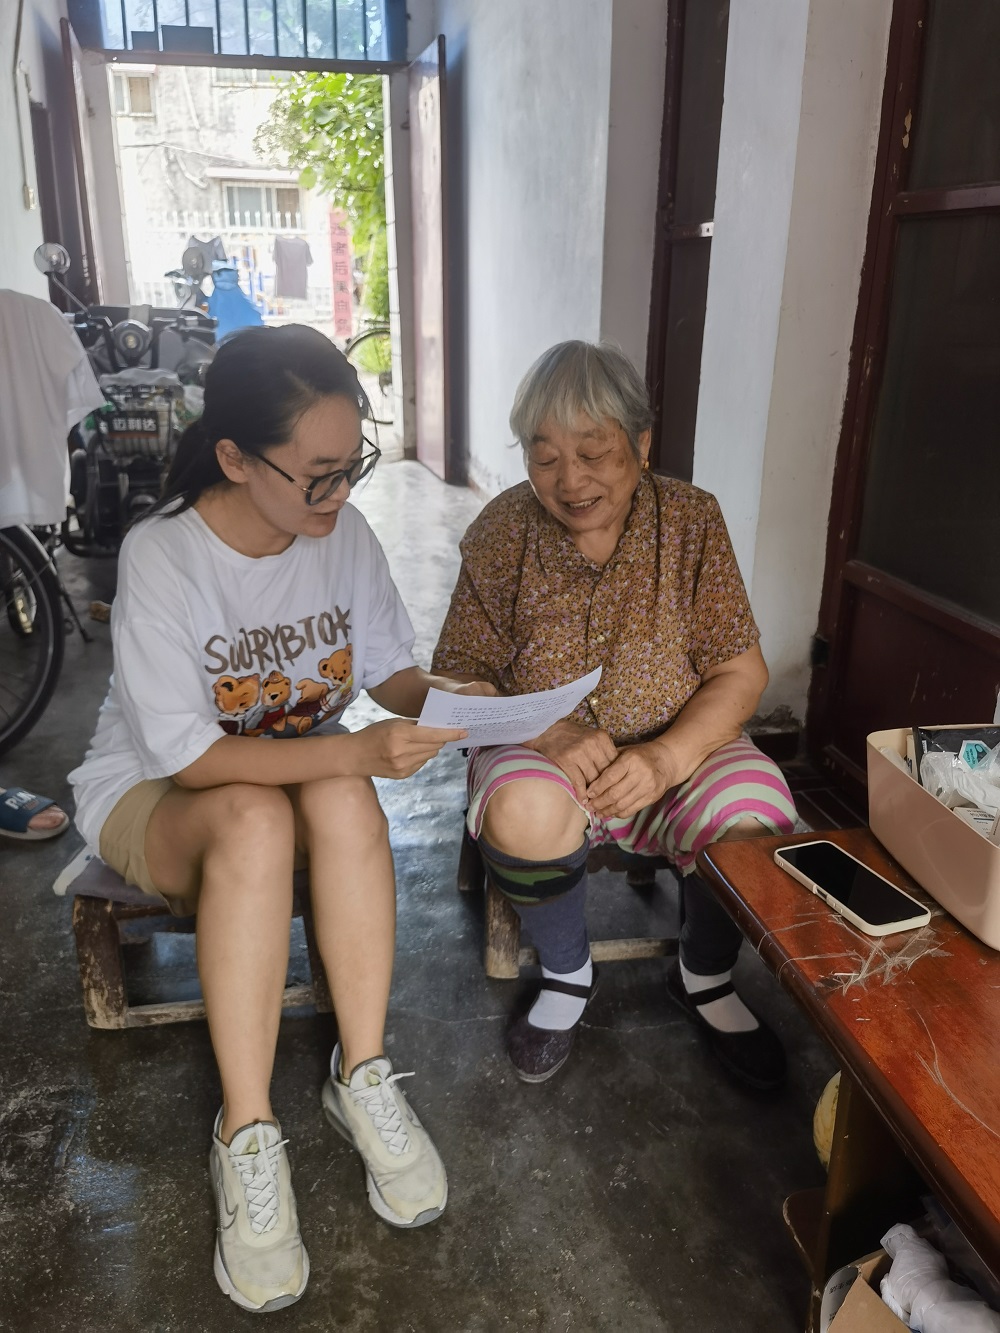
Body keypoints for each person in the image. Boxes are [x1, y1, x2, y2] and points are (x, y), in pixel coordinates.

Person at [68, 325, 493, 1313]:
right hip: (155, 790)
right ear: (233, 457)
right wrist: (355, 749)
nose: (338, 495)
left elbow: (386, 674)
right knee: (263, 815)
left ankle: (363, 1073)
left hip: (288, 770)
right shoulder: (166, 554)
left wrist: (456, 699)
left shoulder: (343, 534)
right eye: (315, 476)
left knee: (340, 791)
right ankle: (247, 1130)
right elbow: (191, 758)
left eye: (352, 467)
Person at [432, 340, 797, 1090]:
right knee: (525, 809)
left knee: (755, 812)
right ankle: (567, 976)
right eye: (544, 458)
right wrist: (544, 730)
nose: (570, 481)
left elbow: (740, 672)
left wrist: (666, 757)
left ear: (641, 442)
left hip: (678, 750)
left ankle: (704, 976)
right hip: (542, 755)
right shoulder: (504, 530)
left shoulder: (691, 521)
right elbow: (455, 680)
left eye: (594, 453)